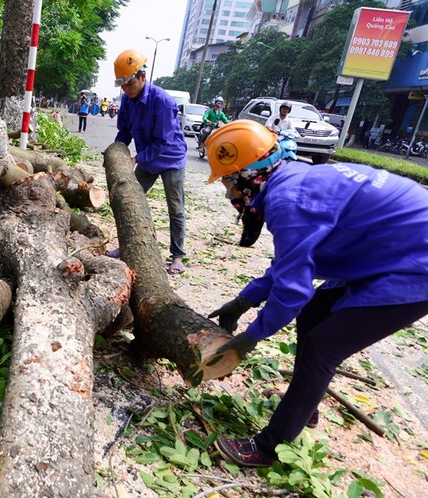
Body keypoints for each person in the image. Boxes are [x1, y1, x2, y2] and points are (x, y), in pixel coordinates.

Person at [202, 120, 428, 468]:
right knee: (313, 315)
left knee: (323, 347)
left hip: (414, 265)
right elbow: (290, 267)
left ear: (249, 175)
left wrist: (252, 336)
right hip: (384, 253)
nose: (230, 194)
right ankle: (304, 408)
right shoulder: (291, 181)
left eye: (230, 181)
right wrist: (246, 299)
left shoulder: (288, 200)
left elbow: (292, 290)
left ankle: (269, 447)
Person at [109, 49, 188, 275]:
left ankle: (178, 256)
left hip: (170, 158)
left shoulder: (163, 101)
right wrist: (118, 153)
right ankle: (125, 246)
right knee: (128, 200)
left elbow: (164, 141)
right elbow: (124, 132)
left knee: (175, 208)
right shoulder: (127, 100)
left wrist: (137, 158)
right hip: (147, 157)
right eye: (122, 85)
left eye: (129, 83)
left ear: (142, 76)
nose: (126, 89)